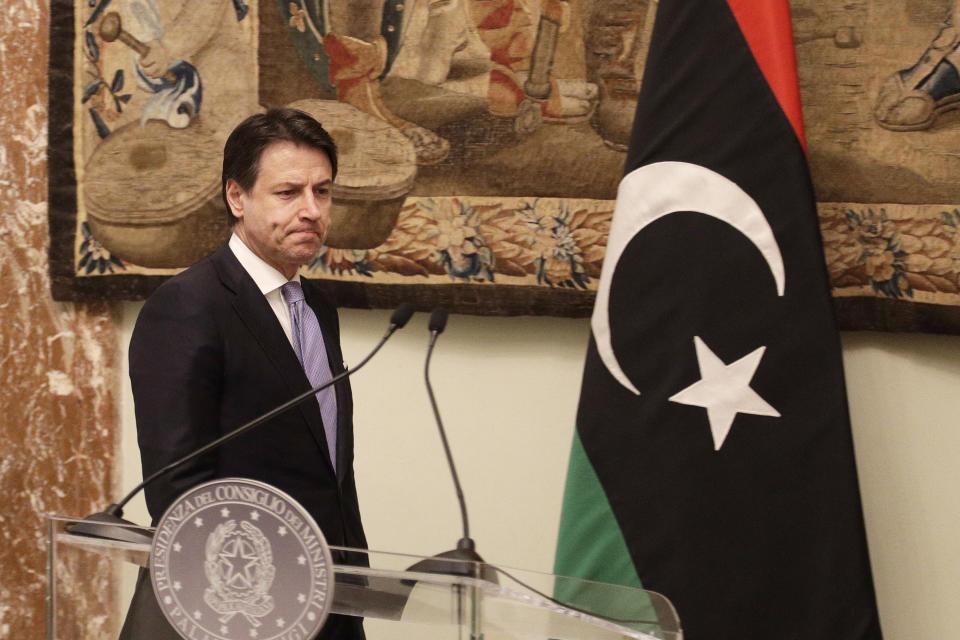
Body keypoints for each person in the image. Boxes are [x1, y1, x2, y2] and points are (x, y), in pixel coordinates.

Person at [118, 107, 366, 640]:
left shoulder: (317, 306)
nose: (311, 210)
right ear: (237, 198)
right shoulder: (188, 306)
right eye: (288, 193)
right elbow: (179, 490)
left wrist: (354, 578)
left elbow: (326, 464)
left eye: (321, 192)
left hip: (330, 596)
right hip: (242, 607)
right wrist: (251, 600)